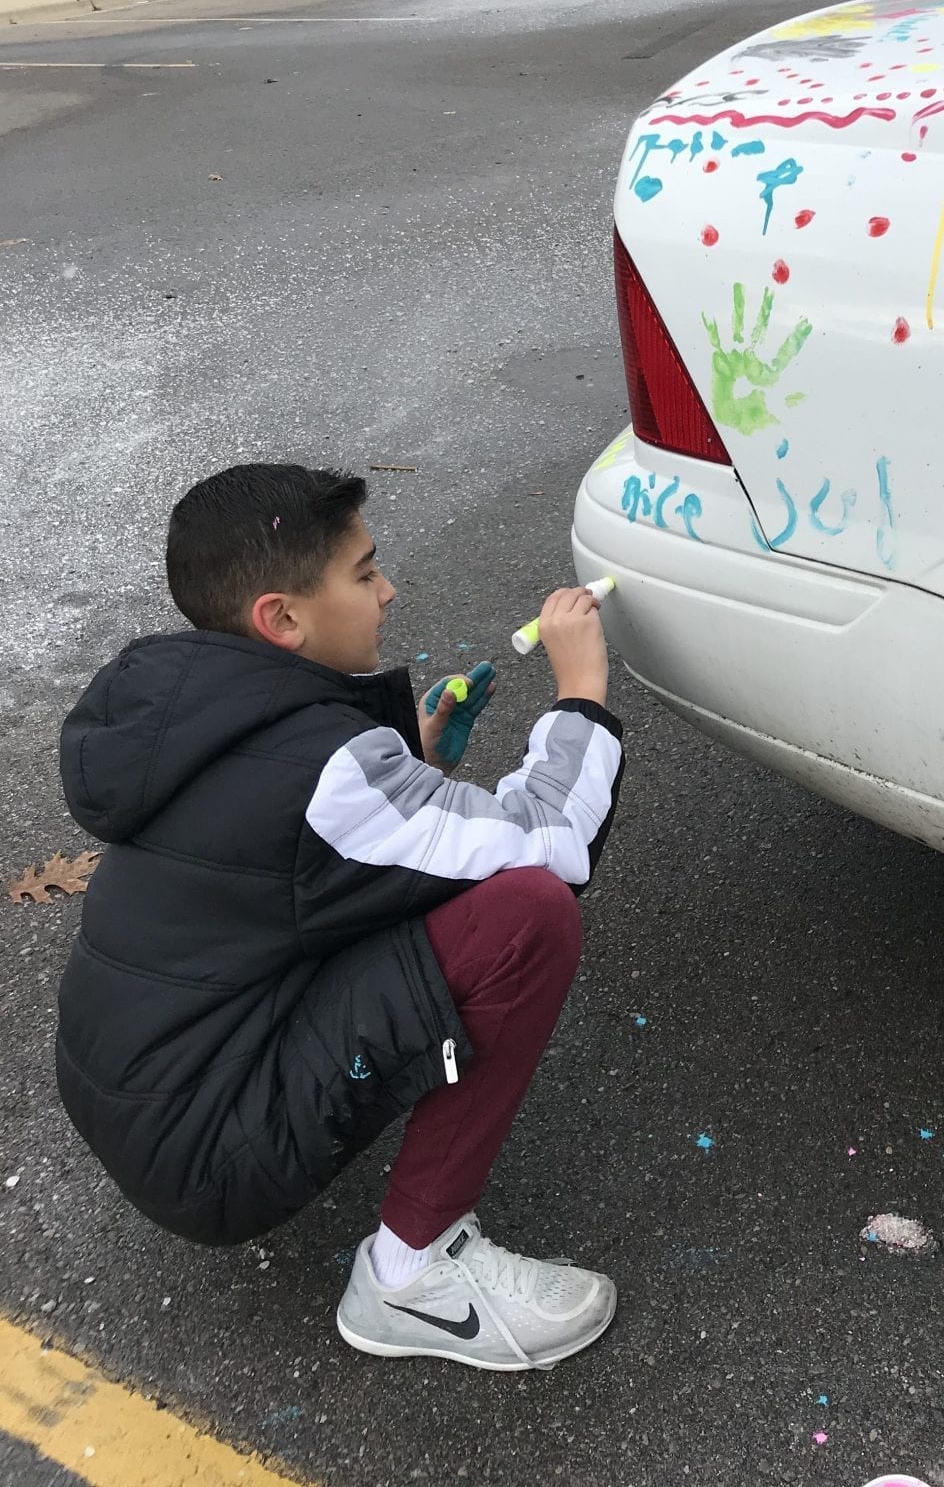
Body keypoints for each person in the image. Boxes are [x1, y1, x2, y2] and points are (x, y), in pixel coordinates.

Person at [55, 462, 624, 1372]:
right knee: (526, 915)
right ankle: (412, 1277)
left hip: (137, 1093)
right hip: (207, 1150)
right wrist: (582, 693)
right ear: (280, 618)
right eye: (363, 575)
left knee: (436, 880)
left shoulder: (188, 715)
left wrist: (415, 764)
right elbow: (552, 837)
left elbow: (286, 858)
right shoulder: (325, 773)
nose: (388, 591)